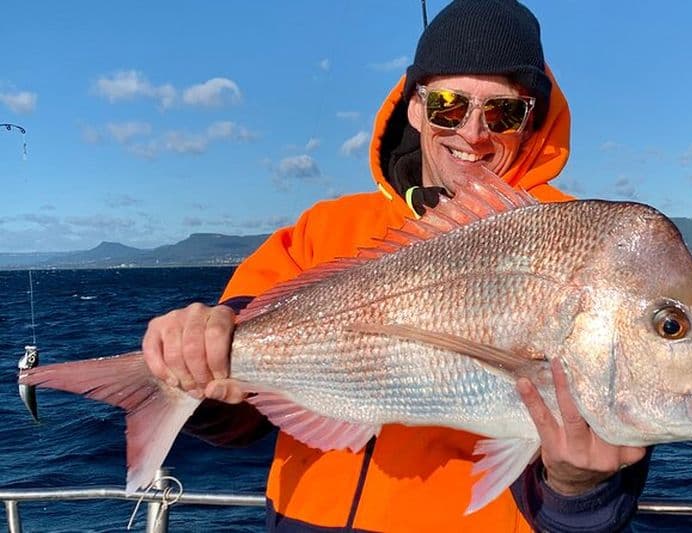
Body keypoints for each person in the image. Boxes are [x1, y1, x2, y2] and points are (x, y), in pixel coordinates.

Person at [142, 1, 651, 531]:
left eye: (503, 112)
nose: (473, 131)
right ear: (414, 108)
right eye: (448, 106)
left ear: (532, 120)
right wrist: (194, 364)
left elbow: (580, 516)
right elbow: (238, 418)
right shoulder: (322, 230)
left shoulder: (584, 245)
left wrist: (578, 487)